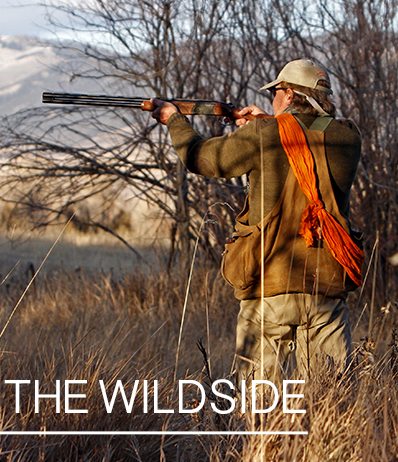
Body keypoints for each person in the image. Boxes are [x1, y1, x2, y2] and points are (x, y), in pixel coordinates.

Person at [150, 59, 363, 384]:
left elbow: (200, 159)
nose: (273, 99)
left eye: (276, 92)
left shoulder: (263, 135)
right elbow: (308, 134)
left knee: (258, 401)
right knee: (329, 398)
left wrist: (173, 119)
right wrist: (266, 122)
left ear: (289, 95)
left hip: (269, 283)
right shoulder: (347, 139)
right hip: (325, 286)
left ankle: (264, 439)